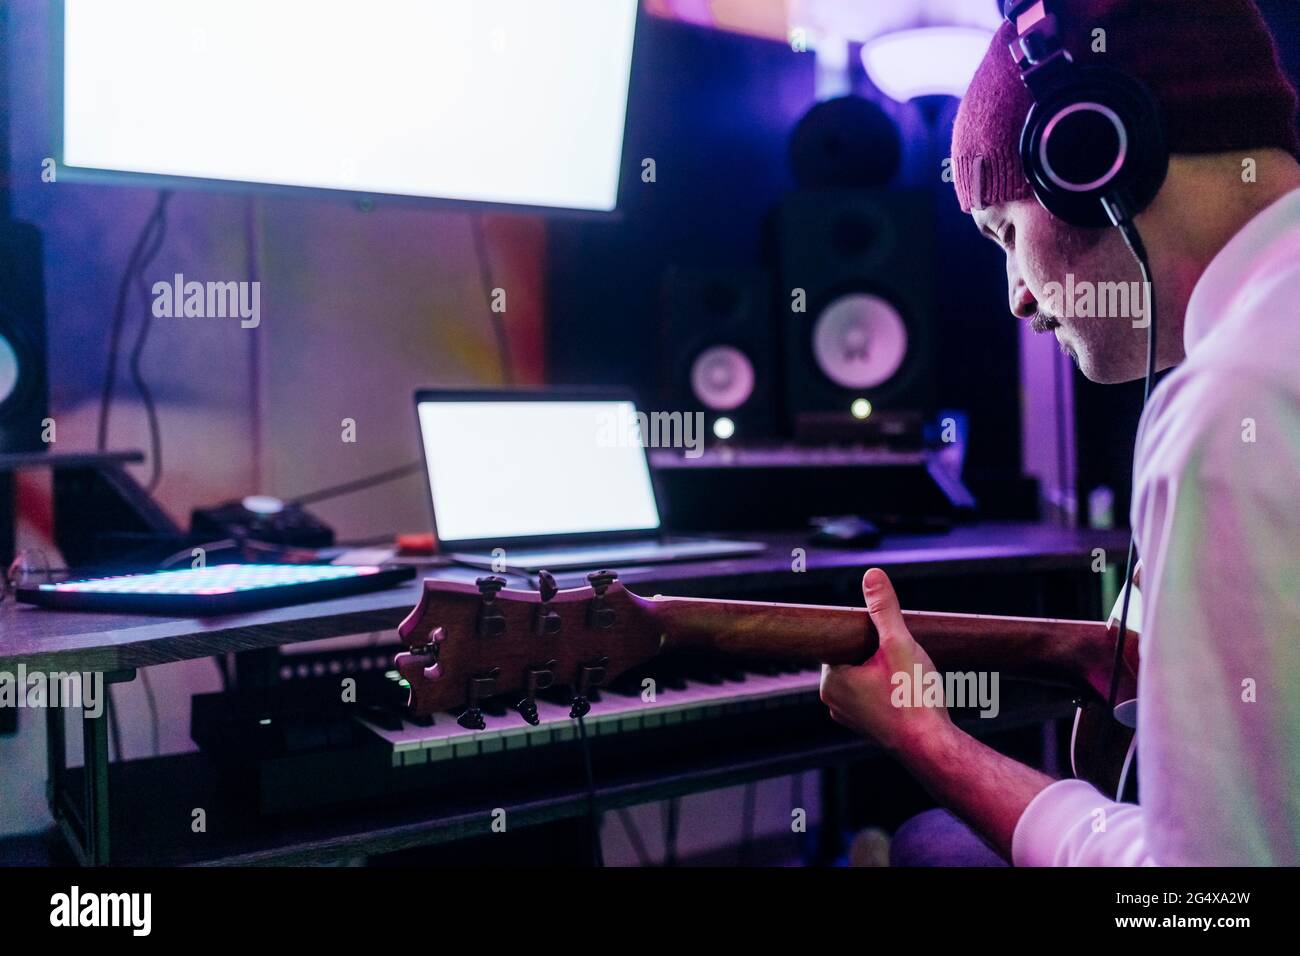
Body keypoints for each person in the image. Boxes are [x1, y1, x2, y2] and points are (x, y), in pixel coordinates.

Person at [820, 0, 1300, 866]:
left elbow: (1206, 902)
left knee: (926, 841)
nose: (1018, 297)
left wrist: (929, 739)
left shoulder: (1233, 407)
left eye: (1006, 233)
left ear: (1092, 157)